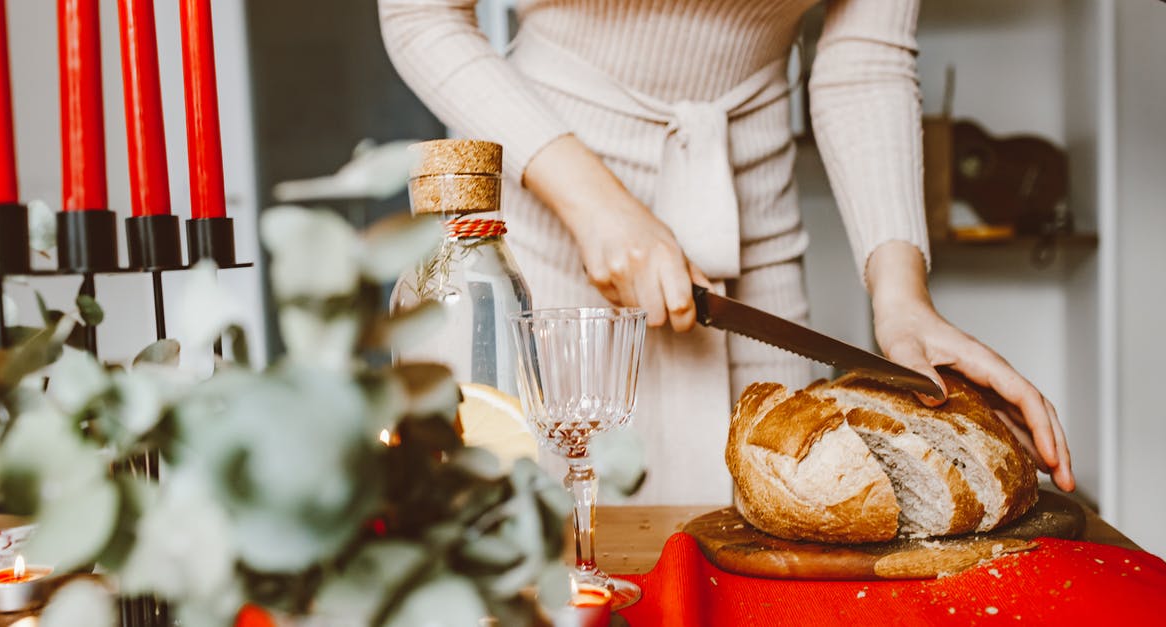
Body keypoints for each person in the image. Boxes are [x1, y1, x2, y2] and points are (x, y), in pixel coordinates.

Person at [379, 0, 1074, 504]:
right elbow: (420, 15)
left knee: (766, 538)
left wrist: (902, 297)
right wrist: (594, 204)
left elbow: (864, 60)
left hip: (754, 242)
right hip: (544, 230)